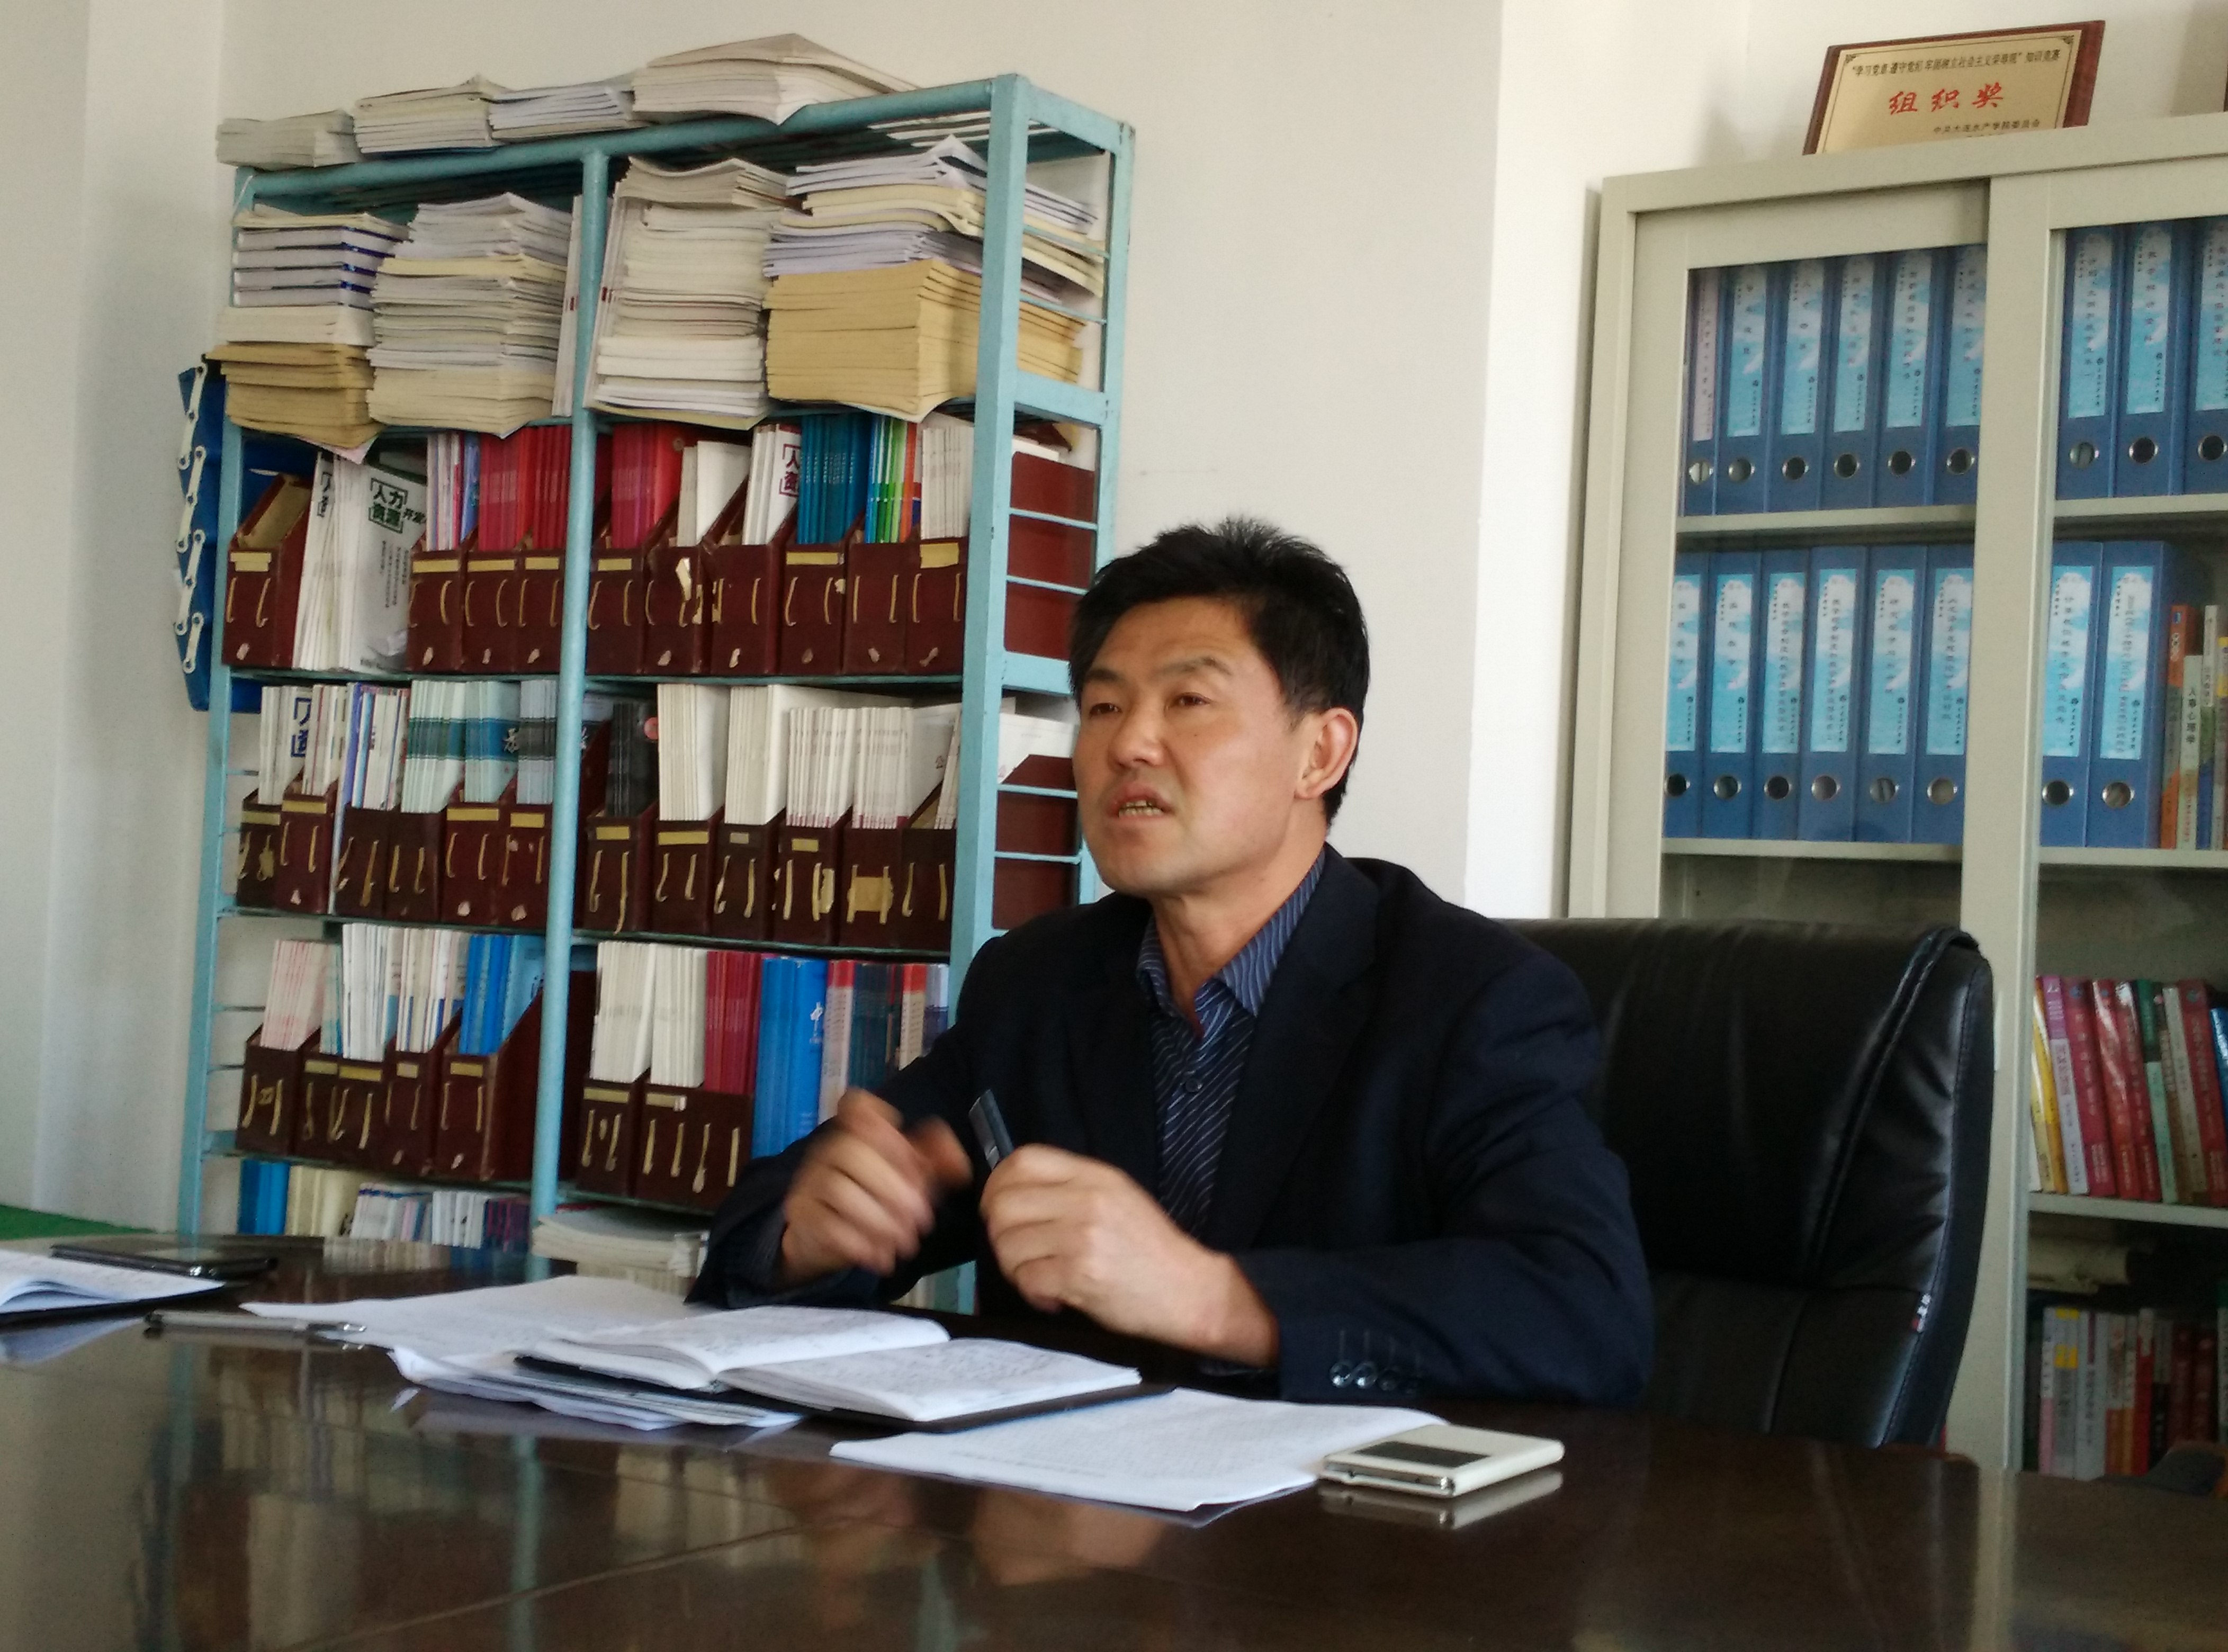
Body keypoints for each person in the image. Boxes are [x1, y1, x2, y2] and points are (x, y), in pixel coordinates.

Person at [693, 517, 1651, 1405]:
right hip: (1066, 1510)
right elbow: (784, 1216)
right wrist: (808, 1237)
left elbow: (1584, 1314)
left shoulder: (1473, 999)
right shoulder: (1038, 983)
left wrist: (1211, 1296)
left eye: (1188, 701)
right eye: (1103, 706)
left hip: (1334, 1522)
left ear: (1321, 753)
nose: (1129, 744)